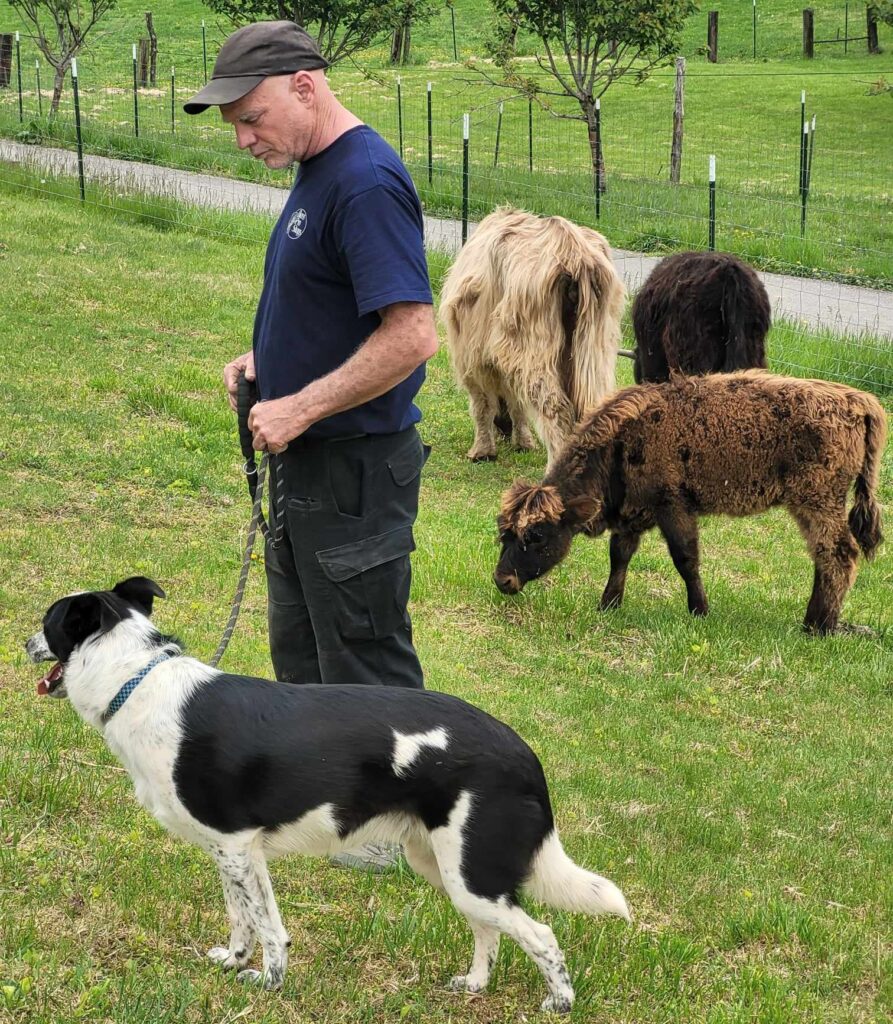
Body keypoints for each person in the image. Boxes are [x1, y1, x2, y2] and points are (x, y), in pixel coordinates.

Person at [184, 22, 438, 868]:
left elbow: (410, 336)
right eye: (235, 127)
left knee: (363, 651)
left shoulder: (363, 182)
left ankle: (405, 830)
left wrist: (301, 406)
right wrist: (270, 361)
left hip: (353, 466)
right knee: (304, 649)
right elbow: (342, 309)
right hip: (308, 463)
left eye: (253, 118)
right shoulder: (315, 173)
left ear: (303, 84)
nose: (246, 139)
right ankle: (335, 811)